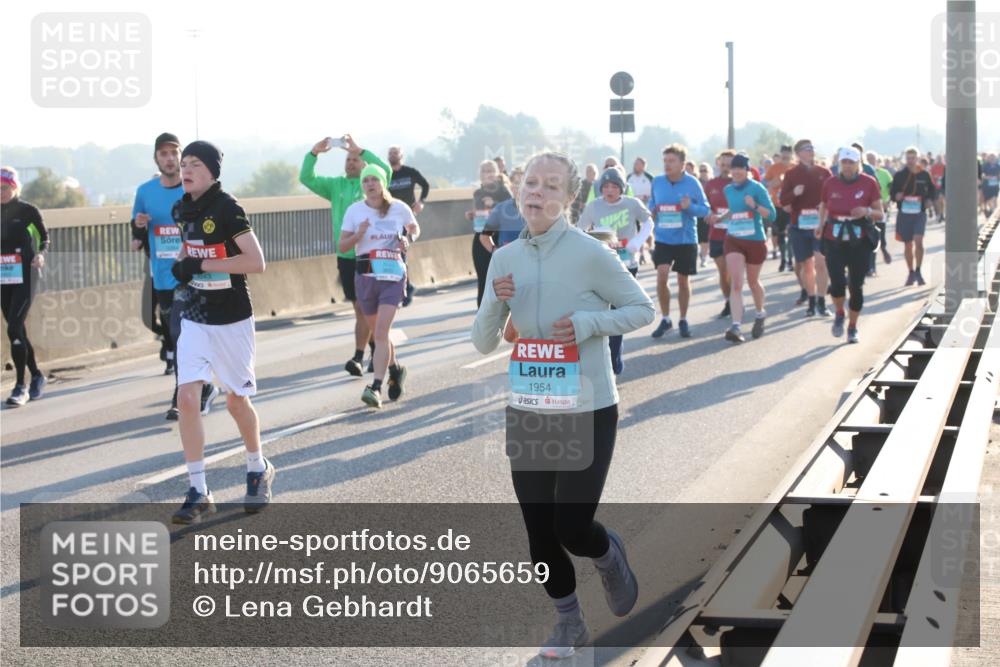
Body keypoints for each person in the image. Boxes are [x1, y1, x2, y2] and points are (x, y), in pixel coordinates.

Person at [471, 151, 654, 659]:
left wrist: (589, 324)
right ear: (517, 190)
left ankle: (608, 554)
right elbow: (483, 343)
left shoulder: (590, 252)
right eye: (531, 183)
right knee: (539, 531)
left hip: (588, 405)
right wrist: (495, 299)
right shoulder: (504, 258)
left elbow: (643, 308)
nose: (538, 192)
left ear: (571, 198)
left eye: (552, 186)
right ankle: (569, 623)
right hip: (531, 405)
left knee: (571, 526)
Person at [169, 140, 272, 524]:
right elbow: (188, 248)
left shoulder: (228, 208)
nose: (186, 170)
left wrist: (201, 261)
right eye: (183, 165)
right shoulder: (182, 207)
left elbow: (255, 261)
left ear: (213, 171)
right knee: (187, 397)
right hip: (196, 313)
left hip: (232, 317)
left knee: (235, 401)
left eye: (195, 164)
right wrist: (183, 266)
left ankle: (257, 466)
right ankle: (198, 489)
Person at [130, 132, 220, 420]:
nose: (169, 159)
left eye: (174, 154)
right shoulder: (145, 192)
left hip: (196, 275)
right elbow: (135, 239)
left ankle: (185, 393)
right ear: (156, 158)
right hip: (163, 275)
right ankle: (201, 388)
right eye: (163, 154)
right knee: (174, 334)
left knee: (189, 335)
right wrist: (140, 227)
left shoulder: (194, 187)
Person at [300, 135, 391, 377]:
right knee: (360, 308)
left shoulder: (371, 186)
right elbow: (306, 178)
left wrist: (361, 150)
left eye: (355, 160)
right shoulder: (335, 186)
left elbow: (386, 171)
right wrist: (313, 153)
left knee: (364, 307)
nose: (351, 163)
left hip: (371, 255)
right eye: (348, 159)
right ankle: (374, 350)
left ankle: (359, 356)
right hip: (346, 255)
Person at [339, 164, 420, 408]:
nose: (370, 184)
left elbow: (414, 227)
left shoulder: (399, 208)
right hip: (365, 275)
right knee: (378, 333)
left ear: (383, 182)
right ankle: (396, 370)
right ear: (362, 185)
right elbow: (343, 246)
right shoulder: (354, 211)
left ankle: (375, 387)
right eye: (366, 181)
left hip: (392, 275)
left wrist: (408, 238)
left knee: (382, 333)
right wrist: (358, 234)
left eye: (375, 179)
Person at [579, 167, 653, 374]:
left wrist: (638, 241)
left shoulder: (632, 204)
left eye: (614, 186)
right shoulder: (594, 206)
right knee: (600, 311)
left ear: (622, 188)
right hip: (601, 265)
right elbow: (580, 230)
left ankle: (614, 359)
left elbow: (648, 221)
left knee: (617, 313)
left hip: (627, 264)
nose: (610, 190)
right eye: (605, 186)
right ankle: (602, 360)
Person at [818, 147, 884, 344]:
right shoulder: (830, 183)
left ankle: (853, 327)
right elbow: (823, 205)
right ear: (839, 163)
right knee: (837, 283)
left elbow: (880, 213)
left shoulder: (869, 182)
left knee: (856, 285)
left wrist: (865, 210)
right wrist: (820, 225)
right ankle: (839, 312)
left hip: (860, 239)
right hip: (834, 237)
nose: (847, 166)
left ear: (858, 164)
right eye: (844, 162)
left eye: (851, 162)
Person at [648, 143, 709, 338]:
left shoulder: (692, 183)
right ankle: (665, 319)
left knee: (683, 280)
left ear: (682, 164)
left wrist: (690, 206)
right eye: (665, 161)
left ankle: (683, 319)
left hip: (685, 239)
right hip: (663, 238)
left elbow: (705, 209)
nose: (667, 164)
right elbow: (652, 204)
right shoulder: (657, 181)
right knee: (662, 275)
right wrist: (652, 212)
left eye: (672, 161)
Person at [1, 166, 48, 406]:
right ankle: (37, 375)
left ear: (14, 187)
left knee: (14, 327)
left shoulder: (27, 210)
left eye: (5, 187)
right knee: (15, 328)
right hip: (5, 275)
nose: (1, 192)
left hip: (27, 273)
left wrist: (40, 254)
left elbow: (44, 237)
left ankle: (21, 386)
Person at [720, 154, 775, 343]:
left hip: (755, 240)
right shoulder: (728, 189)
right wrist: (719, 218)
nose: (735, 171)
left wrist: (755, 205)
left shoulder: (757, 188)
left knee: (753, 282)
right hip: (734, 239)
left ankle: (760, 313)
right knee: (736, 282)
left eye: (739, 168)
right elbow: (734, 211)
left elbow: (772, 215)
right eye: (733, 168)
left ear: (747, 170)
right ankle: (736, 326)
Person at [780, 139, 832, 316]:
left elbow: (834, 195)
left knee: (821, 263)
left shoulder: (824, 172)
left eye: (812, 148)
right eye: (806, 148)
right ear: (798, 153)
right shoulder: (791, 174)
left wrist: (825, 207)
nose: (811, 151)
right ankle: (811, 302)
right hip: (799, 225)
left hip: (819, 225)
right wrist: (794, 193)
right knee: (807, 266)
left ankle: (822, 302)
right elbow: (783, 200)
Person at [386, 146, 431, 308]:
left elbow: (425, 185)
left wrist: (421, 202)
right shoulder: (385, 174)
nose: (393, 155)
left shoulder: (410, 172)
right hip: (390, 219)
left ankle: (405, 289)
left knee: (401, 252)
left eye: (395, 153)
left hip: (407, 218)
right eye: (390, 153)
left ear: (401, 155)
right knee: (395, 255)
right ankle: (406, 287)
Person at [466, 160, 512, 307]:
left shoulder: (503, 190)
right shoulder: (477, 193)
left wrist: (494, 204)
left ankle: (506, 312)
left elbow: (513, 210)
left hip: (499, 236)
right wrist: (472, 215)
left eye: (491, 171)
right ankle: (482, 312)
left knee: (500, 276)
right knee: (483, 277)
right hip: (481, 235)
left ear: (497, 173)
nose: (488, 174)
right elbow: (482, 214)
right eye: (485, 171)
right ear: (480, 175)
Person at [889, 146, 937, 287]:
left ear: (917, 158)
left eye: (913, 158)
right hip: (904, 213)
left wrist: (929, 200)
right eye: (908, 158)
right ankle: (910, 272)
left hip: (919, 212)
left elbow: (932, 190)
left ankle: (918, 270)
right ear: (906, 159)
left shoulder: (924, 174)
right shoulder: (899, 175)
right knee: (908, 244)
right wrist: (895, 196)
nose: (910, 161)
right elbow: (892, 193)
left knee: (919, 241)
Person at [704, 150, 735, 318]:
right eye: (723, 164)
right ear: (718, 164)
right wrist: (708, 214)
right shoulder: (711, 184)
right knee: (723, 271)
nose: (726, 167)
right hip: (716, 234)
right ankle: (729, 301)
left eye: (729, 164)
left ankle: (735, 300)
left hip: (737, 234)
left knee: (732, 270)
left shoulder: (741, 184)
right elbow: (704, 206)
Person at [763, 145, 795, 270]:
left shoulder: (795, 167)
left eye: (787, 155)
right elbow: (764, 183)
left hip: (792, 205)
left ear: (791, 155)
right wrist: (771, 183)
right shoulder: (774, 168)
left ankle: (790, 260)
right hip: (777, 205)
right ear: (780, 155)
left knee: (791, 233)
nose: (785, 157)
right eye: (783, 155)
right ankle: (783, 260)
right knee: (779, 233)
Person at [485, 167, 526, 249]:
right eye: (517, 183)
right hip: (507, 260)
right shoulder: (500, 208)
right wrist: (495, 252)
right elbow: (484, 236)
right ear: (511, 186)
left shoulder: (539, 210)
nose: (521, 187)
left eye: (525, 183)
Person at [696, 162, 714, 267]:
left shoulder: (712, 183)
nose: (703, 173)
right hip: (698, 213)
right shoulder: (696, 183)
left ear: (709, 171)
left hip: (711, 213)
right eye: (701, 170)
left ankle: (703, 257)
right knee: (700, 237)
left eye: (705, 170)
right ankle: (702, 253)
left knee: (705, 238)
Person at [982, 152, 999, 219]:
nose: (992, 159)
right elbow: (982, 174)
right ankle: (992, 211)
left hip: (995, 185)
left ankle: (994, 212)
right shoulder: (985, 165)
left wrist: (996, 177)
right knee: (988, 199)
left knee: (994, 198)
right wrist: (987, 177)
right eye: (991, 157)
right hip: (987, 185)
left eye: (993, 157)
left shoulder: (998, 165)